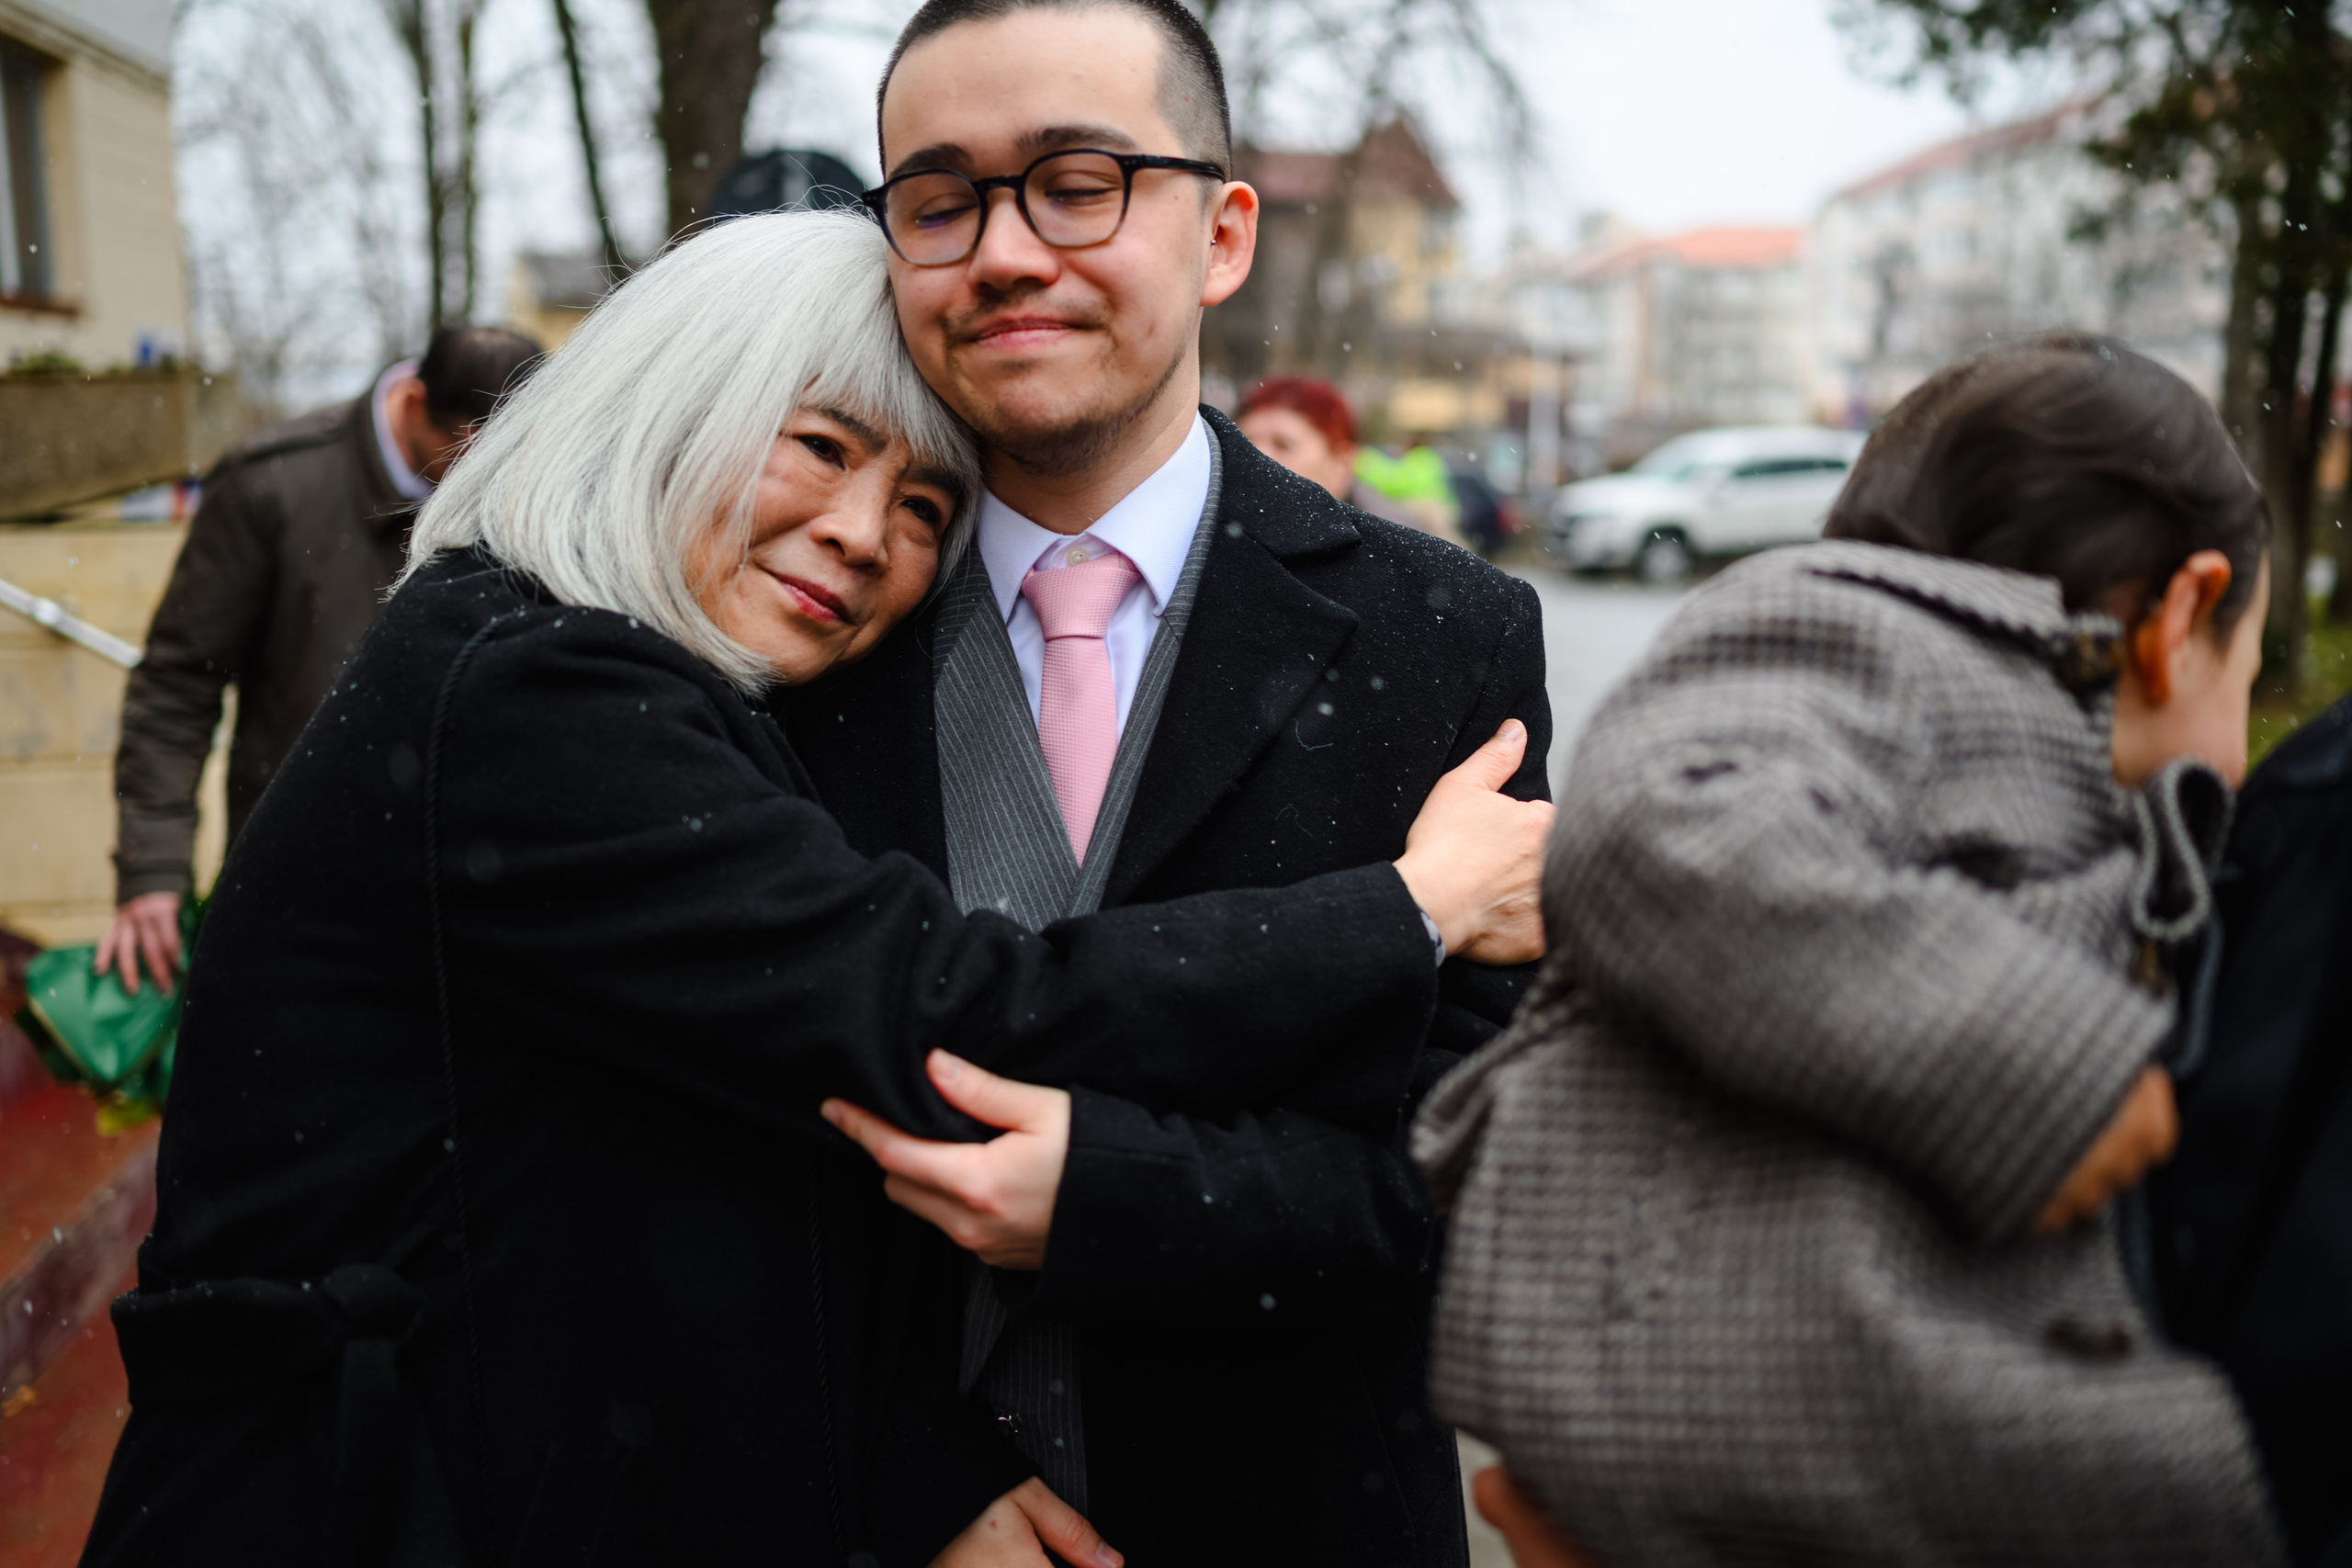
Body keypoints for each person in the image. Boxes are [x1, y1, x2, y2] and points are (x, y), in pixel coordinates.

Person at [76, 210, 1548, 1568]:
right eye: (821, 444)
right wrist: (1410, 906)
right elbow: (941, 1006)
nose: (863, 531)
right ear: (676, 398)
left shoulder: (618, 677)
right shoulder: (536, 693)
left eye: (921, 504)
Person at [790, 4, 1550, 1562]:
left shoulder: (1445, 634)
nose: (1004, 251)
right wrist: (908, 1476)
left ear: (1220, 234)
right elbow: (691, 1147)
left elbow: (1485, 1152)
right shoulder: (798, 622)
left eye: (1079, 181)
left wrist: (1126, 1197)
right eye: (939, 201)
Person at [1416, 333, 2284, 1566]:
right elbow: (1668, 829)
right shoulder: (1851, 632)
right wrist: (2033, 1057)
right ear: (2187, 611)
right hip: (1713, 1340)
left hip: (1788, 1356)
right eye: (2245, 676)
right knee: (2210, 1489)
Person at [96, 324, 544, 995]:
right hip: (302, 895)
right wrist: (153, 872)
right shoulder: (273, 484)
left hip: (484, 904)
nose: (484, 473)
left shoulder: (542, 488)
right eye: (465, 448)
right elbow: (176, 684)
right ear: (415, 402)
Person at [1235, 374, 1429, 531]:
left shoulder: (1400, 550)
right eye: (1244, 443)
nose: (1256, 457)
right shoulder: (1212, 531)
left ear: (1341, 462)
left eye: (1283, 444)